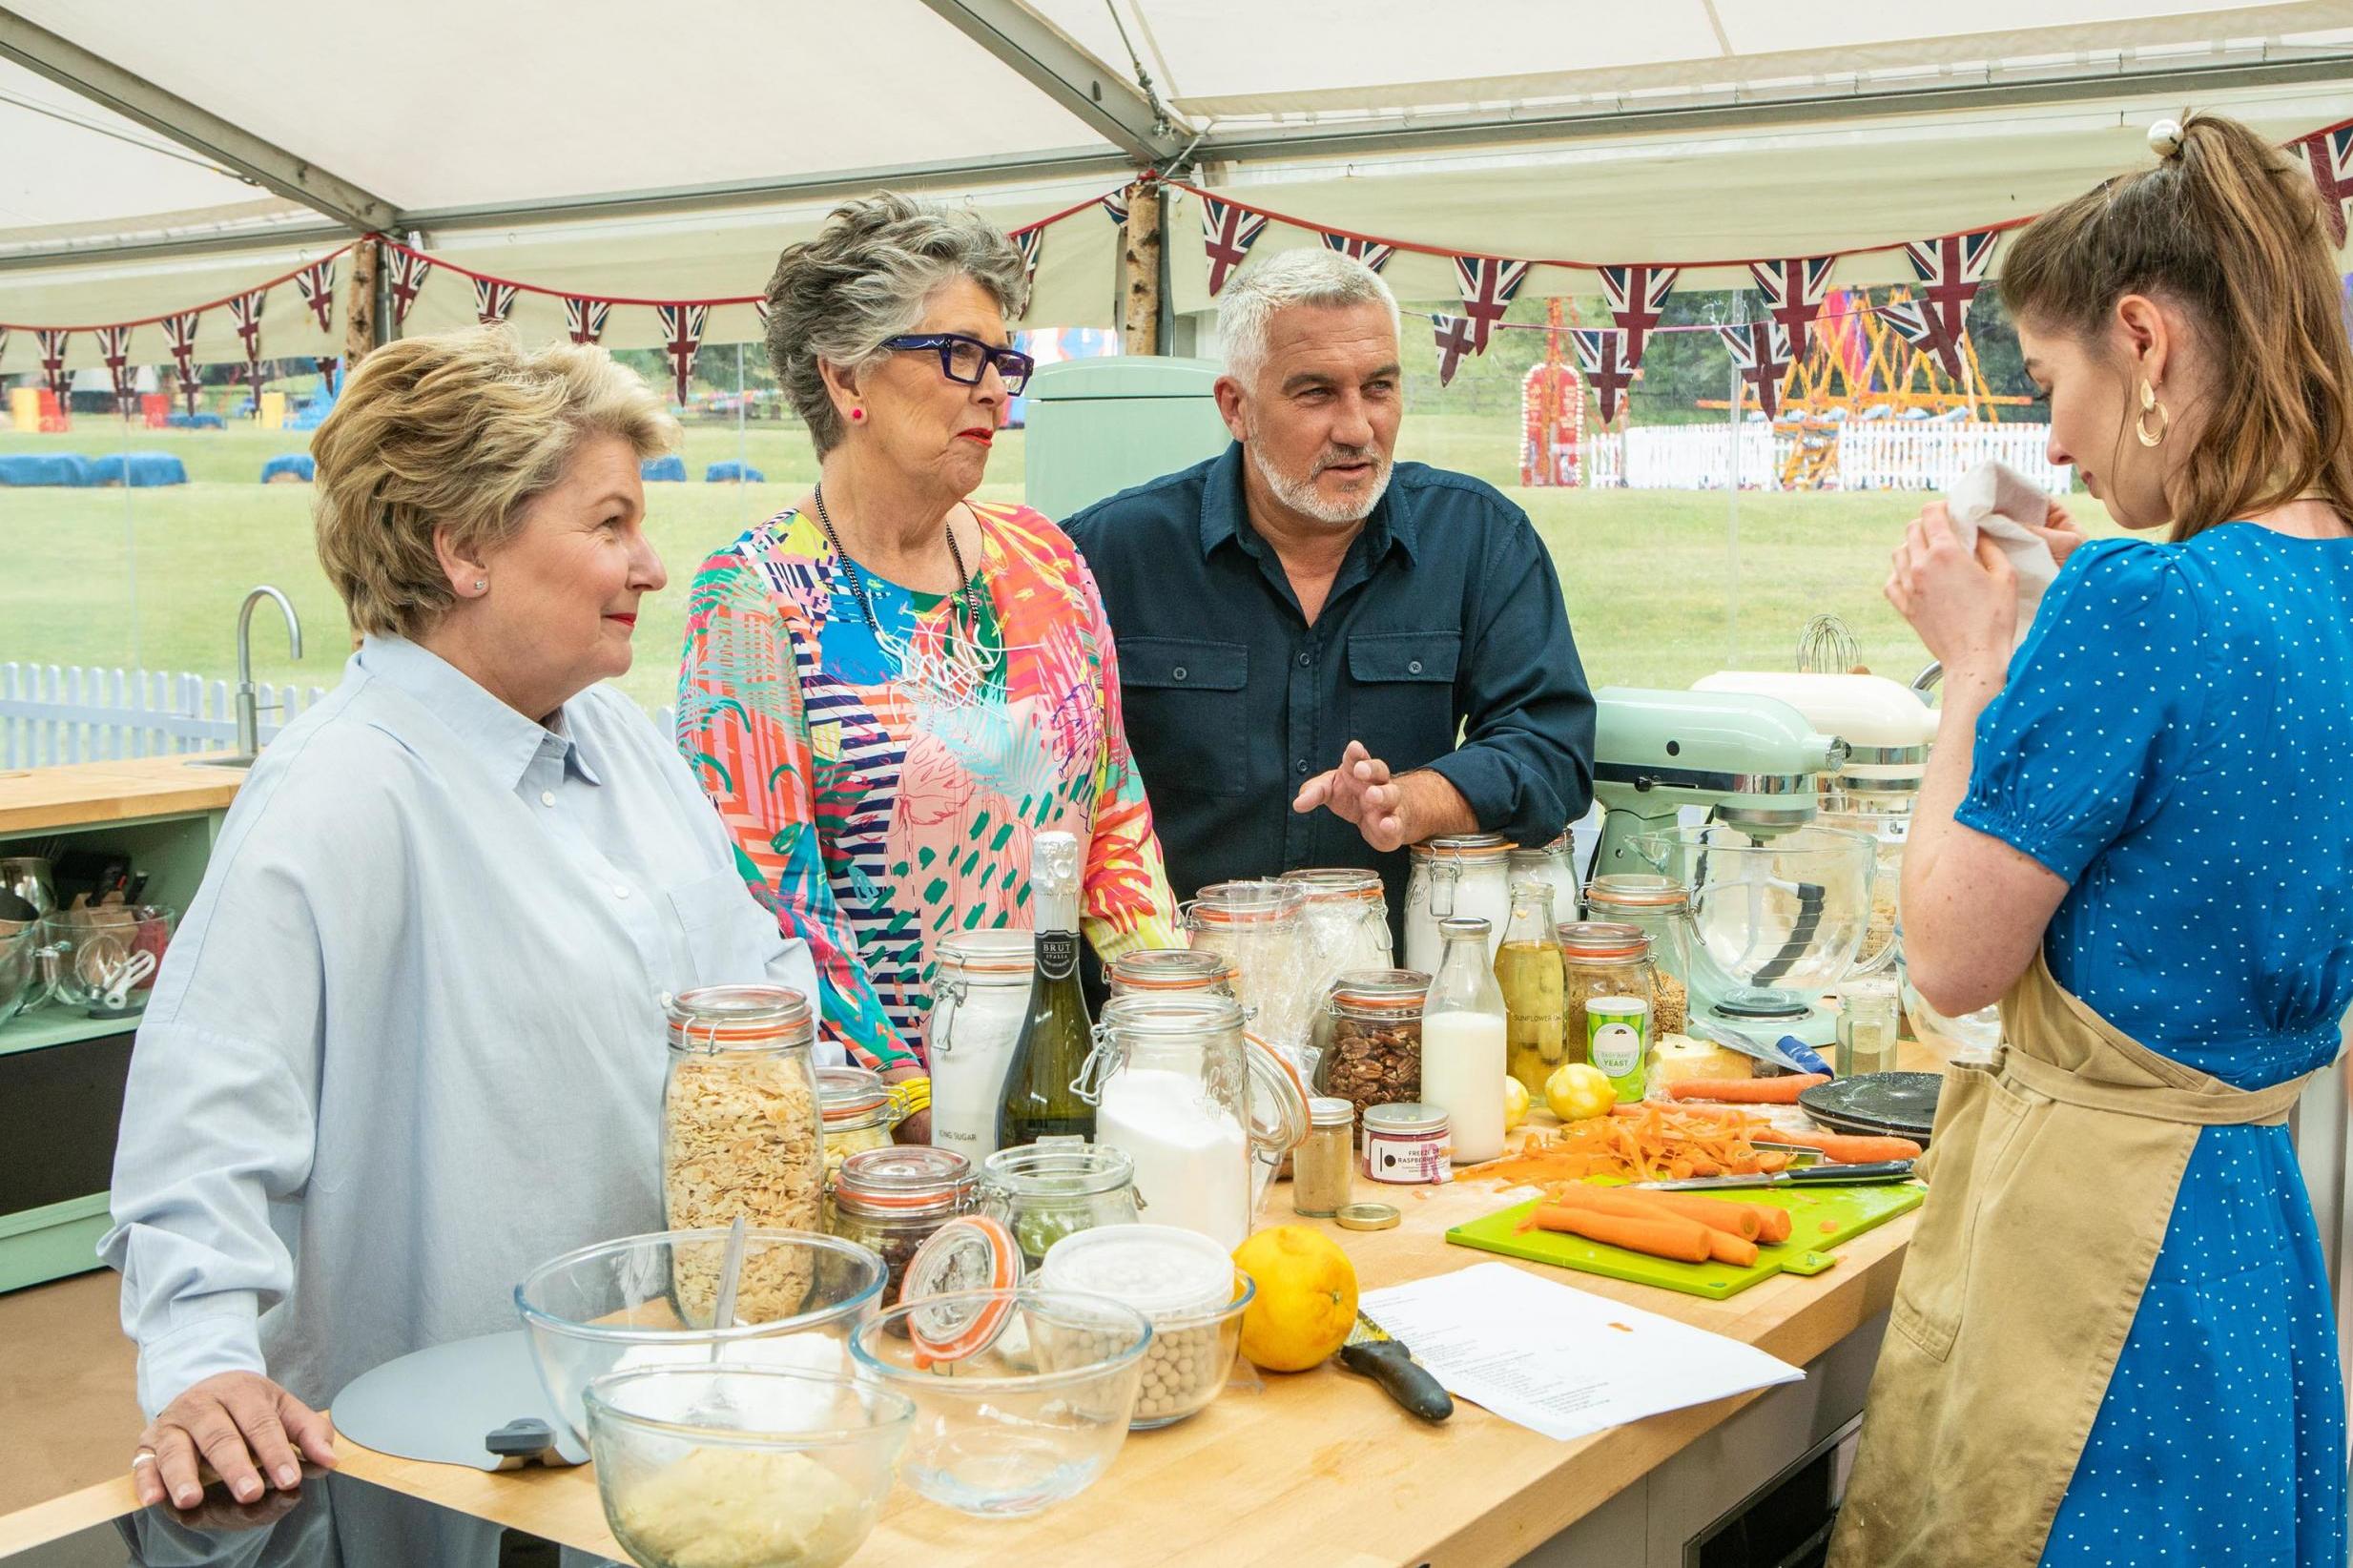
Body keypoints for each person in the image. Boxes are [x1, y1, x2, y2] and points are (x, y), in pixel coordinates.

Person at [103, 330, 818, 1516]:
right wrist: (206, 1366)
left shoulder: (621, 740)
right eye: (609, 524)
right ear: (465, 548)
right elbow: (201, 1142)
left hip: (662, 1408)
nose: (649, 566)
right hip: (440, 1468)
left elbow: (752, 993)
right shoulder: (338, 797)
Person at [1832, 113, 2353, 1568]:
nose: (2048, 438)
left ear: (2142, 341)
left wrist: (1978, 665)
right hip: (2248, 1228)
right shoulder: (2321, 585)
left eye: (2048, 379)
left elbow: (1945, 957)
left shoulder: (2140, 607)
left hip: (2098, 1254)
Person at [678, 194, 1179, 1074]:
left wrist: (1174, 1020)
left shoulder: (1045, 560)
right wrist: (907, 1108)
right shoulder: (755, 598)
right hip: (872, 1120)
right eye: (958, 355)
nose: (992, 387)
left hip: (1058, 1070)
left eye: (1000, 359)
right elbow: (773, 899)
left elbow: (1111, 811)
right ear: (844, 377)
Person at [1062, 248, 1595, 920]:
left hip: (1394, 995)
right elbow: (1040, 784)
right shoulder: (1106, 555)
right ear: (1236, 407)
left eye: (1378, 388)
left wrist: (1414, 800)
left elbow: (1553, 749)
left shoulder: (1478, 538)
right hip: (1177, 991)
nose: (1355, 428)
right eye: (1315, 393)